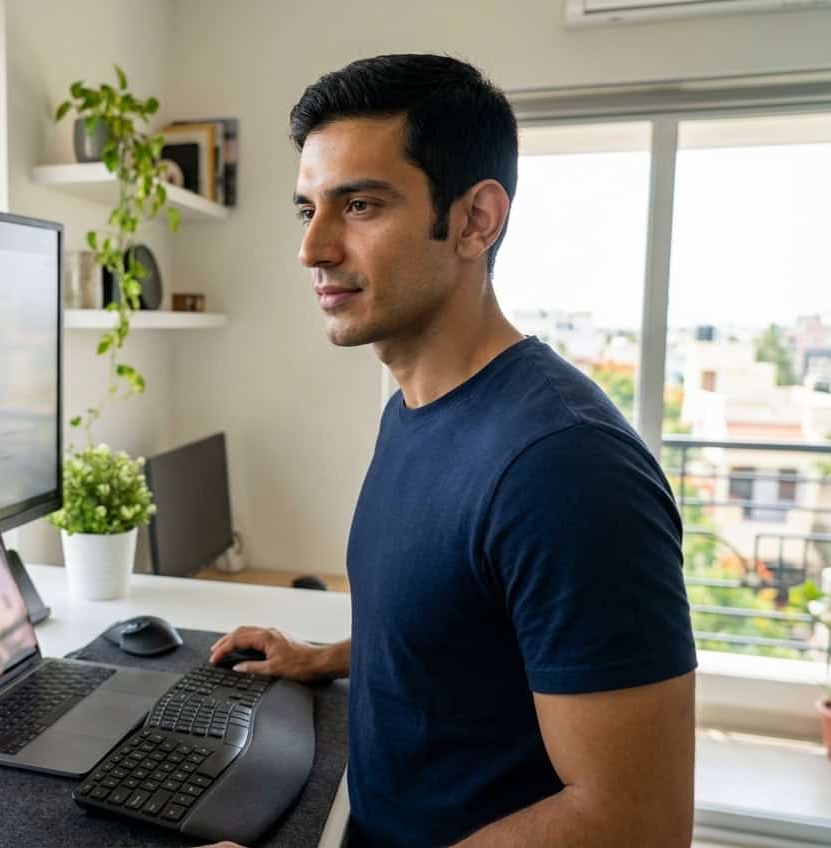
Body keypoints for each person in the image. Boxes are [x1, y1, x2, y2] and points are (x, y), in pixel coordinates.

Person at [204, 54, 698, 848]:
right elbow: (463, 632)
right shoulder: (416, 405)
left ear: (475, 220)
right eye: (308, 210)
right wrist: (323, 657)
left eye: (359, 205)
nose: (314, 249)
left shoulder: (567, 468)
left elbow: (634, 822)